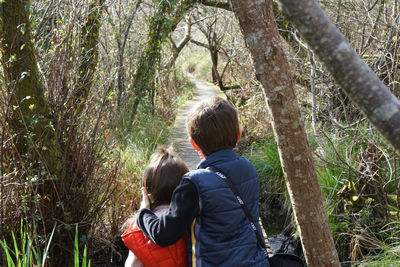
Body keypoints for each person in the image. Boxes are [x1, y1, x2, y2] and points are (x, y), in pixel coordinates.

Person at [137, 97, 269, 266]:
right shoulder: (249, 168)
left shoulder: (193, 184)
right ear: (239, 135)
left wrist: (144, 212)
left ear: (193, 143)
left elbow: (163, 235)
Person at [121, 147, 189, 267]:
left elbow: (132, 265)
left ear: (146, 192)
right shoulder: (192, 219)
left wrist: (143, 211)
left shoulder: (140, 227)